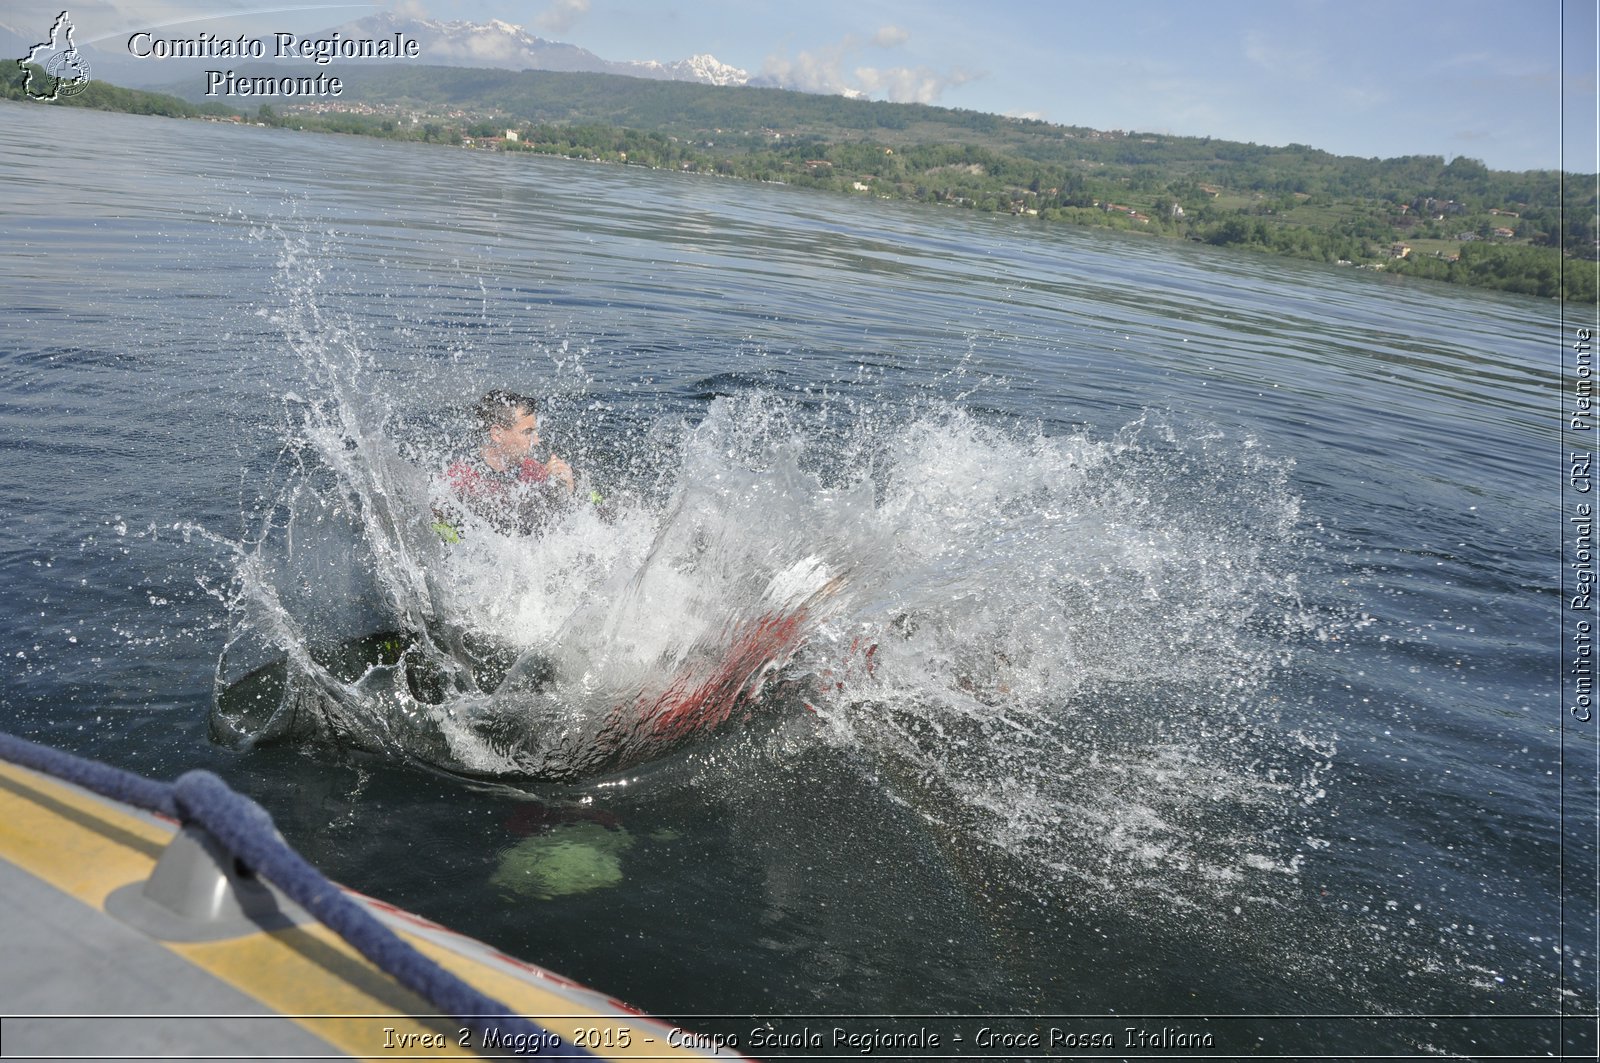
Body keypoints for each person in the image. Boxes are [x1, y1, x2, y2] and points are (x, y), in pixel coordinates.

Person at [431, 390, 577, 540]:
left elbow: (559, 527)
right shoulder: (460, 477)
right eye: (527, 432)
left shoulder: (535, 471)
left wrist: (566, 490)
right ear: (497, 434)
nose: (537, 440)